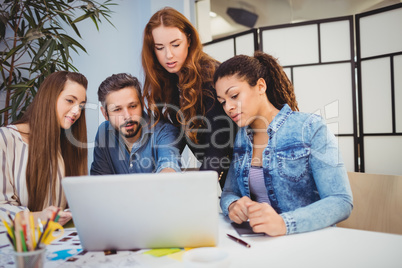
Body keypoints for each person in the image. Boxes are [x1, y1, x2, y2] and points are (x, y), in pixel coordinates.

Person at [214, 51, 353, 236]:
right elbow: (229, 191)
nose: (228, 107)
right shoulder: (241, 137)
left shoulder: (310, 127)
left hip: (307, 241)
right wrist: (232, 204)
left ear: (260, 86)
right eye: (222, 102)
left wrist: (284, 223)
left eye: (234, 95)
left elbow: (341, 201)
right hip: (260, 241)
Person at [141, 7, 236, 187]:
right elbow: (178, 135)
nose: (168, 55)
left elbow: (219, 143)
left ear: (189, 40)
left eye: (175, 45)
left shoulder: (210, 76)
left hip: (239, 170)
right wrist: (167, 166)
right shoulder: (172, 80)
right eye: (159, 48)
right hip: (222, 171)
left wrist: (198, 188)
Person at [0, 71, 88, 225]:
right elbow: (1, 208)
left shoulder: (69, 145)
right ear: (49, 98)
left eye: (81, 106)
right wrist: (40, 217)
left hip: (60, 239)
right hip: (19, 243)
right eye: (69, 101)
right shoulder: (6, 139)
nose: (77, 111)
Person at [90, 73, 181, 175]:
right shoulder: (104, 133)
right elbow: (99, 181)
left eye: (132, 106)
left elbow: (169, 167)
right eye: (117, 109)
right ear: (105, 114)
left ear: (141, 103)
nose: (127, 116)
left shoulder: (164, 132)